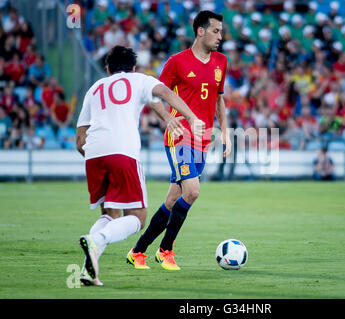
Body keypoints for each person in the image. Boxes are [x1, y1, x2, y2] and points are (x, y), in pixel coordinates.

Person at [75, 45, 205, 286]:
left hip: (93, 154)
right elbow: (164, 93)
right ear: (134, 68)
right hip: (122, 152)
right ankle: (98, 240)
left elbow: (80, 138)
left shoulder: (94, 88)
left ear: (107, 68)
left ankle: (87, 271)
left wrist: (96, 155)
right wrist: (190, 117)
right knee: (137, 218)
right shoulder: (139, 79)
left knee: (109, 214)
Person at [127, 10, 231, 271]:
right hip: (180, 137)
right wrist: (167, 119)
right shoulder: (176, 62)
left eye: (221, 31)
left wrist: (225, 131)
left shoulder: (221, 61)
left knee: (173, 201)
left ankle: (137, 251)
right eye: (216, 31)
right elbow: (153, 95)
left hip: (204, 139)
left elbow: (218, 98)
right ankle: (166, 251)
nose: (221, 36)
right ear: (200, 31)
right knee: (192, 191)